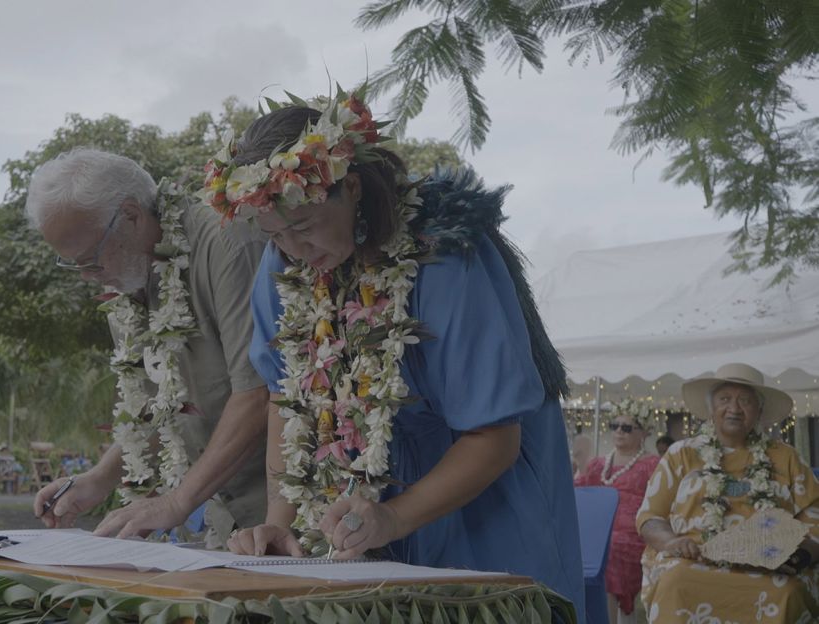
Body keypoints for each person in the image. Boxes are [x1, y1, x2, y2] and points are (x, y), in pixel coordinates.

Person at [210, 89, 584, 622]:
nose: (293, 249)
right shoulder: (282, 271)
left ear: (353, 187)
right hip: (362, 509)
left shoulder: (444, 261)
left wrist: (391, 518)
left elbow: (494, 437)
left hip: (480, 500)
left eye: (304, 226)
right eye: (274, 234)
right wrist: (280, 521)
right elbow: (285, 399)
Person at [25, 148, 269, 541]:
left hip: (290, 508)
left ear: (132, 215)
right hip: (222, 521)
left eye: (89, 259)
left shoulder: (227, 243)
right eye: (74, 265)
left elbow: (258, 395)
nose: (88, 277)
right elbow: (163, 411)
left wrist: (176, 502)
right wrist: (98, 480)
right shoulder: (126, 281)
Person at [637, 363, 818, 621]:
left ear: (759, 411)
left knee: (788, 592)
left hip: (771, 570)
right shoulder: (682, 454)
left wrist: (799, 553)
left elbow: (815, 516)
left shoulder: (785, 457)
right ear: (711, 409)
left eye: (745, 401)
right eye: (725, 399)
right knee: (674, 581)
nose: (734, 408)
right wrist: (671, 542)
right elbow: (650, 517)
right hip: (694, 561)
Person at [574, 400, 660, 624]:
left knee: (609, 554)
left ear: (643, 433)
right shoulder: (598, 464)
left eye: (627, 427)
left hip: (633, 534)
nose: (619, 431)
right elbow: (581, 491)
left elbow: (661, 501)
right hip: (598, 529)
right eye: (615, 426)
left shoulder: (653, 464)